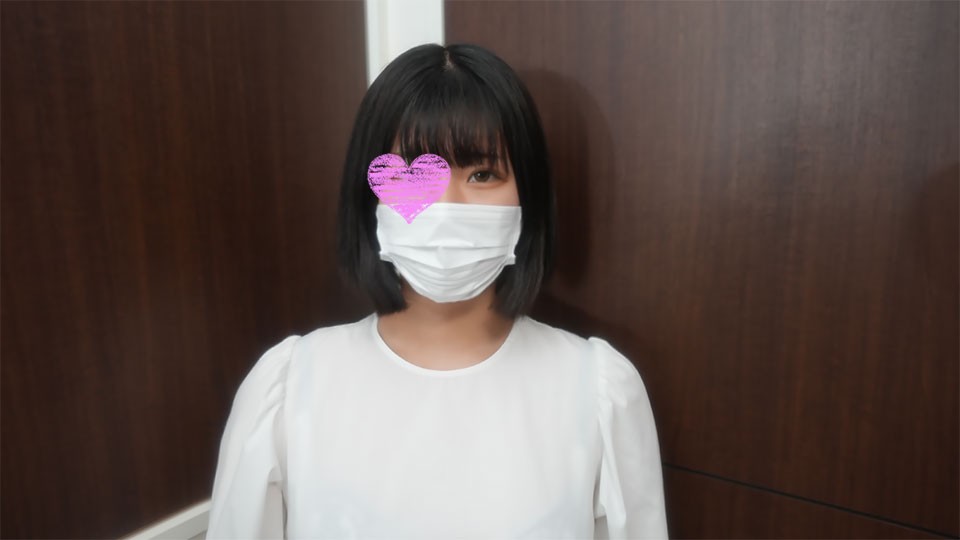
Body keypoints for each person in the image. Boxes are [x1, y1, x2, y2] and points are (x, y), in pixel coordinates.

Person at [207, 43, 668, 540]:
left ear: (528, 197)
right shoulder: (290, 387)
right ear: (369, 196)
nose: (447, 206)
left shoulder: (597, 392)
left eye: (483, 174)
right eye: (417, 174)